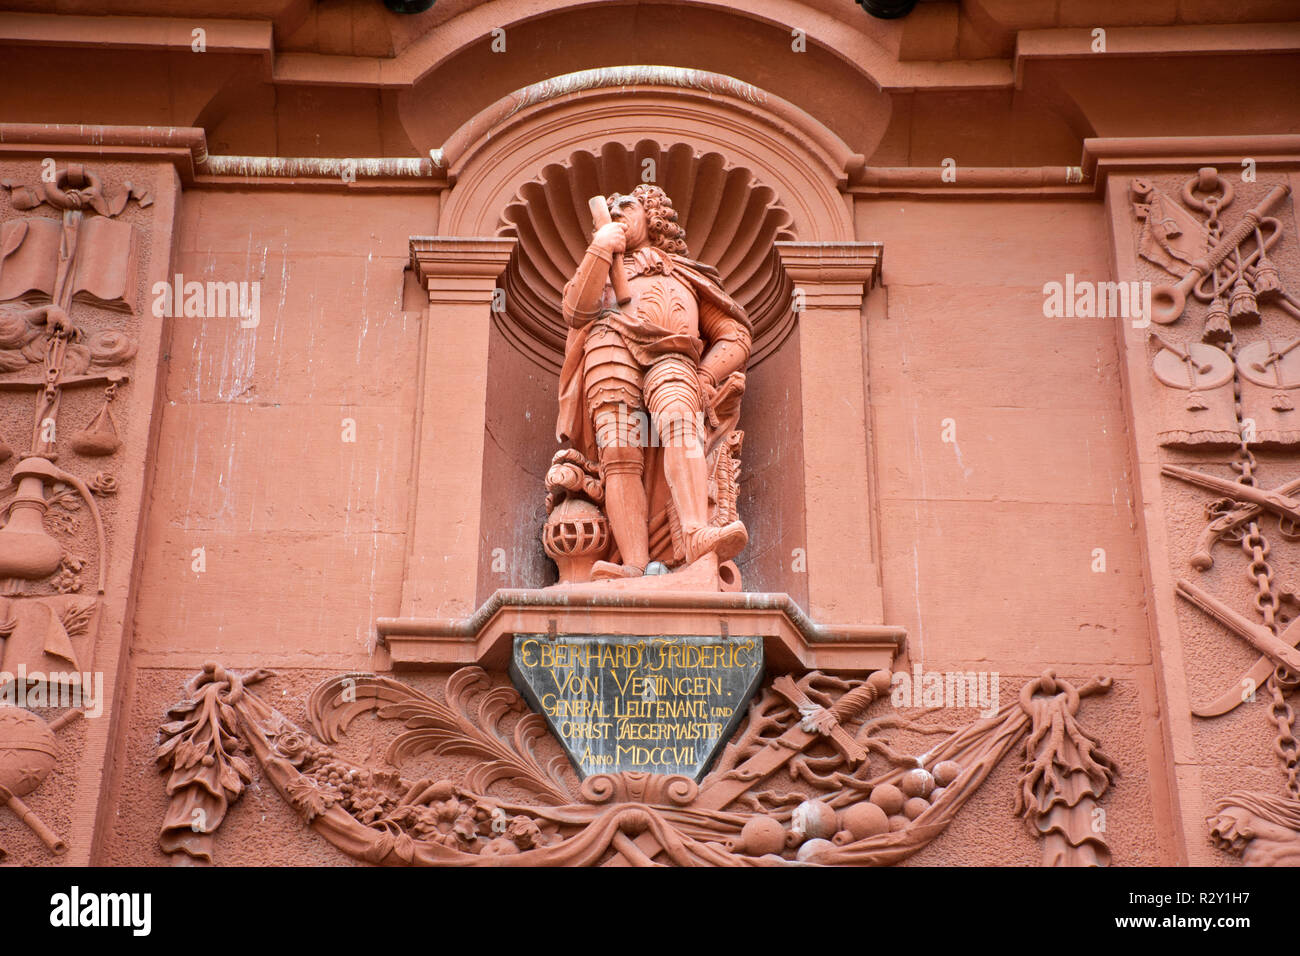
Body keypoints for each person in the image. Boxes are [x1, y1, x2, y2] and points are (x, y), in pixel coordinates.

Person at [556, 185, 750, 579]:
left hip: (675, 354)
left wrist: (707, 375)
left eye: (626, 205)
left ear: (653, 214)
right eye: (610, 207)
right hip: (608, 349)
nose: (615, 210)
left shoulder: (685, 274)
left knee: (680, 420)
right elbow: (576, 310)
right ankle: (632, 563)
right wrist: (599, 249)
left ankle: (695, 532)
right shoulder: (602, 266)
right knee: (618, 451)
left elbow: (735, 334)